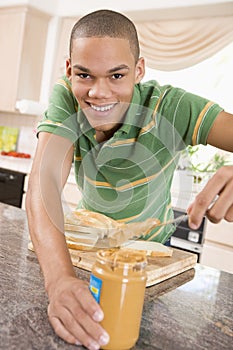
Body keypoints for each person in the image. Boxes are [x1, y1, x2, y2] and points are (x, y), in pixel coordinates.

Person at [26, 9, 233, 350]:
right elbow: (43, 182)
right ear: (69, 70)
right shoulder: (66, 97)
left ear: (138, 71)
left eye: (117, 76)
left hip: (150, 255)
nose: (98, 93)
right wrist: (60, 280)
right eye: (85, 75)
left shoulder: (172, 107)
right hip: (86, 251)